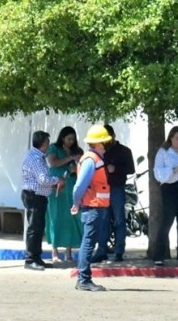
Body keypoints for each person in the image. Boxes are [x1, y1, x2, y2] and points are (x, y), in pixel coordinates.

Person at [71, 125, 113, 292]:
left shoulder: (93, 158)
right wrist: (76, 202)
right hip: (93, 207)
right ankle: (84, 279)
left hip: (96, 207)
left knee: (88, 242)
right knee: (88, 243)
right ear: (100, 143)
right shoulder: (91, 160)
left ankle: (84, 278)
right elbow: (79, 185)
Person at [21, 131, 63, 271]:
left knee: (38, 228)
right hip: (34, 195)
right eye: (47, 142)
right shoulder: (36, 158)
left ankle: (37, 258)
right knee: (34, 228)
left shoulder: (37, 156)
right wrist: (57, 180)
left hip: (38, 195)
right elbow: (43, 179)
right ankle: (30, 259)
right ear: (44, 144)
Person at [152, 126, 178, 266]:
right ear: (171, 138)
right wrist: (173, 170)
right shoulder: (163, 152)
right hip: (170, 187)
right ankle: (158, 255)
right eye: (177, 138)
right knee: (167, 220)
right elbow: (158, 172)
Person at [94, 124, 135, 262]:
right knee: (103, 220)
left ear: (113, 136)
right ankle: (101, 250)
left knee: (119, 220)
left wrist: (115, 168)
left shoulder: (124, 151)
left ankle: (119, 251)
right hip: (102, 188)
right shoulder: (100, 152)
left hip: (117, 187)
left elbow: (131, 169)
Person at [45, 126, 84, 263]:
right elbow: (53, 163)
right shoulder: (54, 149)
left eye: (73, 139)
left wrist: (76, 168)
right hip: (57, 187)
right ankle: (55, 252)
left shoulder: (77, 151)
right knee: (56, 217)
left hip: (72, 185)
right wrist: (70, 158)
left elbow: (84, 166)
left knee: (71, 218)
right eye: (69, 139)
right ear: (62, 138)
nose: (71, 142)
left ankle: (68, 252)